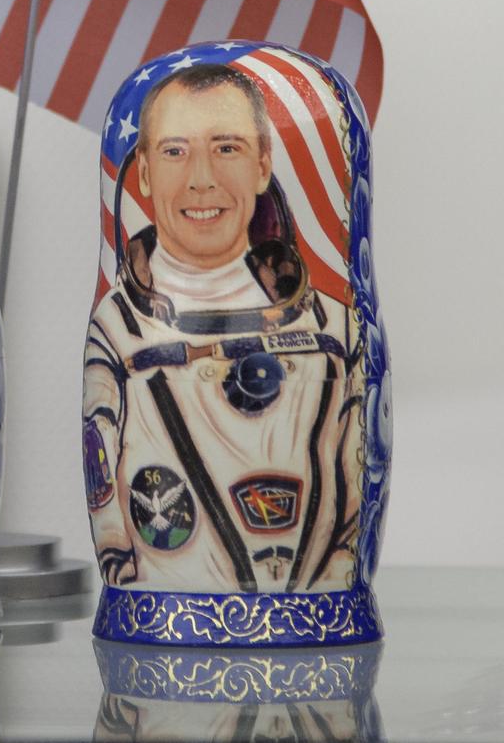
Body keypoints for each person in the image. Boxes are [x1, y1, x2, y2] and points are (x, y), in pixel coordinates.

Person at [83, 63, 362, 594]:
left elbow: (353, 505)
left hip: (313, 635)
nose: (201, 178)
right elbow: (113, 527)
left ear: (262, 166)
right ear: (142, 172)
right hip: (165, 639)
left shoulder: (334, 330)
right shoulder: (118, 337)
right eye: (174, 151)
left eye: (227, 148)